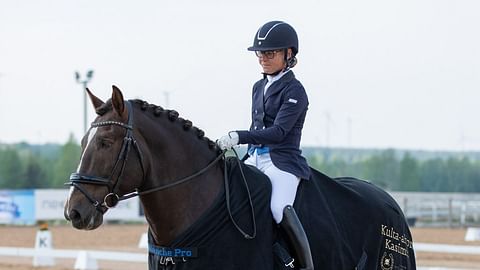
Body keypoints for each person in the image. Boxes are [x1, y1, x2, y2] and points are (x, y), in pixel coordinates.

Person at [217, 21, 314, 270]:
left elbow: (279, 132)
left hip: (281, 161)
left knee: (278, 207)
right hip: (254, 157)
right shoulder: (258, 87)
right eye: (260, 53)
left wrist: (239, 136)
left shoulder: (295, 90)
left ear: (288, 54)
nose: (263, 58)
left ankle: (304, 264)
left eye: (270, 53)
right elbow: (258, 125)